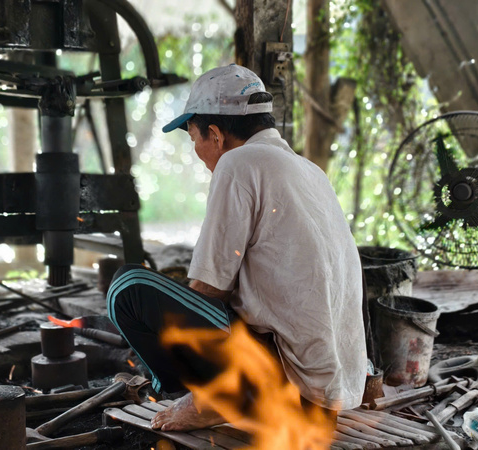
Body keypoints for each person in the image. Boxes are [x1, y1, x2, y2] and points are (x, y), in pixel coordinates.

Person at [106, 64, 366, 431]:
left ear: (215, 134)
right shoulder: (308, 170)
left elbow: (208, 289)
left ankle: (214, 398)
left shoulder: (238, 162)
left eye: (195, 138)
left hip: (289, 392)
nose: (198, 151)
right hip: (331, 396)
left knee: (127, 287)